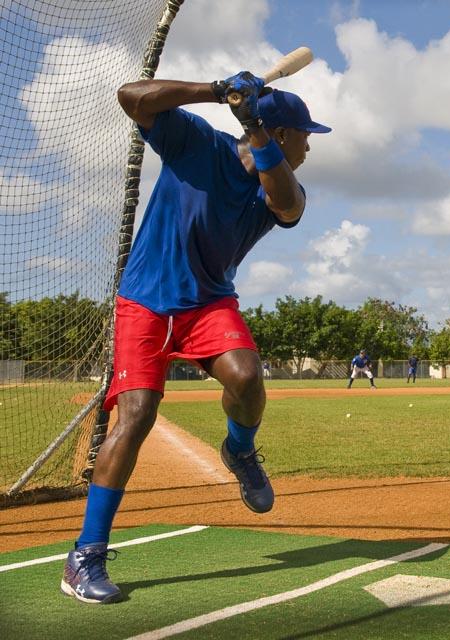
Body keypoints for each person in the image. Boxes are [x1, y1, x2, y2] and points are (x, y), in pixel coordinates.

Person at [61, 72, 330, 604]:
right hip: (145, 300)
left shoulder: (276, 182)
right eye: (304, 135)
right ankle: (85, 556)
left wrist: (252, 125)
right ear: (284, 134)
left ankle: (240, 450)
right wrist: (213, 90)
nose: (308, 147)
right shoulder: (197, 140)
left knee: (247, 376)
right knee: (135, 415)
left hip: (208, 302)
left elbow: (289, 205)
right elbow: (129, 96)